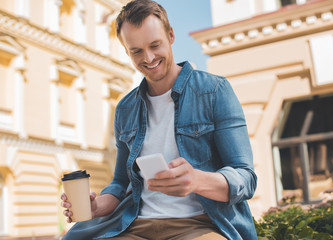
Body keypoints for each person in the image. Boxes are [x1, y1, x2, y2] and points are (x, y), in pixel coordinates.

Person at [61, 0, 258, 239]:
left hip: (200, 224)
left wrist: (196, 180)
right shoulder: (125, 107)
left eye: (155, 45)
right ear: (126, 51)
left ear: (171, 35)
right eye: (136, 51)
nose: (149, 57)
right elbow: (120, 183)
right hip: (136, 225)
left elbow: (246, 178)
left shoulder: (214, 90)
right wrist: (96, 206)